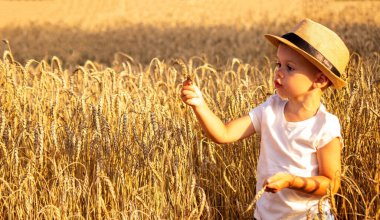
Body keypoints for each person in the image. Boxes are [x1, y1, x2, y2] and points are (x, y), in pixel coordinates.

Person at [180, 18, 349, 219]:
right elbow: (223, 134)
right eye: (278, 64)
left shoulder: (325, 126)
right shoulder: (270, 109)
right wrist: (199, 105)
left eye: (290, 67)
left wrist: (292, 181)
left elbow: (331, 183)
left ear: (320, 80)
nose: (278, 71)